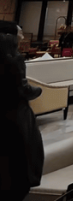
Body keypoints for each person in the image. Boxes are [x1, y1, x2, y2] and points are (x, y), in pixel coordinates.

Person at [0, 20, 44, 201]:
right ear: (9, 36)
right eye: (19, 32)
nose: (22, 36)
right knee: (20, 161)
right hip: (15, 117)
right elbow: (22, 89)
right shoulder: (13, 59)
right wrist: (38, 90)